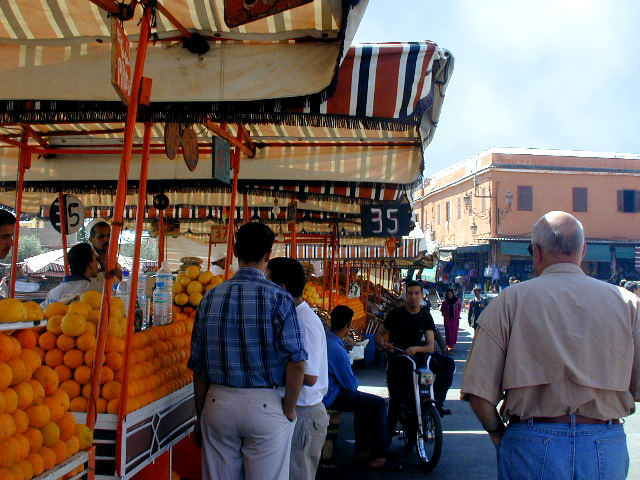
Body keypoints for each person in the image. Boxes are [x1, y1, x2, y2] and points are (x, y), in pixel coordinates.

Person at [461, 211, 640, 480]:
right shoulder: (627, 304)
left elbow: (479, 393)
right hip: (604, 441)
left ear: (537, 252)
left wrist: (498, 434)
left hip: (531, 441)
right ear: (583, 251)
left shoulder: (508, 302)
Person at [188, 222, 307, 480]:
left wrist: (201, 416)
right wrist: (289, 409)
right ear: (268, 255)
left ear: (234, 251)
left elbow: (197, 366)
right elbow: (297, 362)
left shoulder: (210, 297)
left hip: (217, 403)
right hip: (265, 406)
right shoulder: (279, 298)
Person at [266, 257, 328, 480]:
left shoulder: (304, 321)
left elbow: (309, 375)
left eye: (267, 281)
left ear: (281, 288)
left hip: (303, 413)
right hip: (297, 410)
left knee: (298, 474)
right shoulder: (292, 316)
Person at [323, 305, 402, 472]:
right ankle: (379, 455)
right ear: (348, 325)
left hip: (327, 391)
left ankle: (363, 451)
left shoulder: (329, 340)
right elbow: (350, 384)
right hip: (330, 395)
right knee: (378, 403)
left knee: (364, 403)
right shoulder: (336, 348)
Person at [376, 280, 455, 433]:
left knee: (448, 364)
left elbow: (430, 346)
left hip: (419, 358)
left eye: (416, 293)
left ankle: (437, 401)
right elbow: (379, 335)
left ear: (422, 295)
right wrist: (384, 346)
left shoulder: (425, 316)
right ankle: (386, 442)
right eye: (410, 293)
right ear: (406, 295)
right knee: (396, 399)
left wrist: (416, 348)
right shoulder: (396, 314)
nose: (413, 297)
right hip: (398, 359)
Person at [41, 243, 101, 307]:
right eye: (96, 259)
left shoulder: (52, 294)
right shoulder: (98, 290)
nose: (97, 263)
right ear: (90, 264)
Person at [88, 218, 122, 288]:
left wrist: (111, 266)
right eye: (101, 237)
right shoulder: (87, 259)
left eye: (109, 236)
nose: (107, 240)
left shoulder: (112, 257)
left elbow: (123, 281)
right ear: (92, 239)